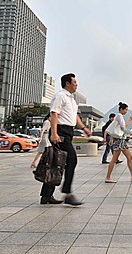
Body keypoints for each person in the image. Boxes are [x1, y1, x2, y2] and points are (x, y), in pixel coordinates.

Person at [40, 73, 92, 206]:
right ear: (67, 84)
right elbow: (54, 114)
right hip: (61, 131)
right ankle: (67, 193)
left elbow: (74, 117)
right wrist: (54, 133)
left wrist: (84, 128)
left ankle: (46, 196)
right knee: (71, 159)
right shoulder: (60, 96)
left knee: (57, 163)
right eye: (74, 82)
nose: (76, 84)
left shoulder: (72, 99)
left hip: (68, 131)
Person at [105, 102, 132, 183]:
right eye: (125, 109)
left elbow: (114, 128)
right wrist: (130, 120)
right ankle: (108, 177)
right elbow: (123, 127)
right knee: (117, 159)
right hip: (120, 140)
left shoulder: (117, 116)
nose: (126, 111)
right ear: (121, 109)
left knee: (128, 157)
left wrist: (111, 139)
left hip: (118, 140)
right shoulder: (119, 116)